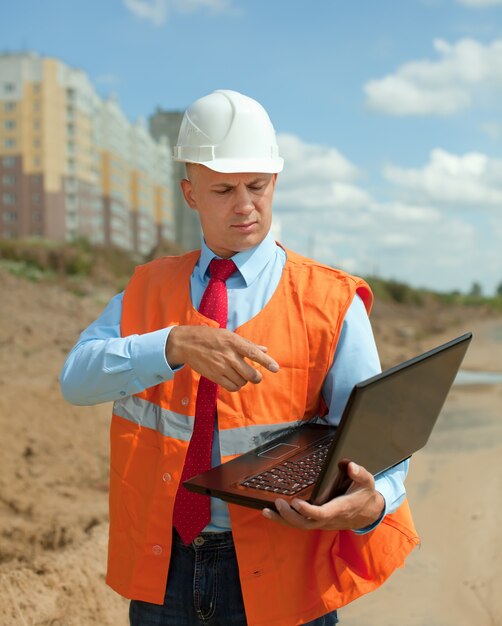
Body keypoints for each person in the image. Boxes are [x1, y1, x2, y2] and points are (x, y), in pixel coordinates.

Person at [61, 89, 418, 626]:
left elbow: (378, 439)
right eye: (224, 189)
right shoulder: (146, 291)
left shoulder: (331, 301)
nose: (245, 204)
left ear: (275, 182)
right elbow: (76, 381)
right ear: (190, 194)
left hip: (281, 567)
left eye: (257, 185)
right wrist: (171, 344)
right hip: (166, 571)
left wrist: (376, 501)